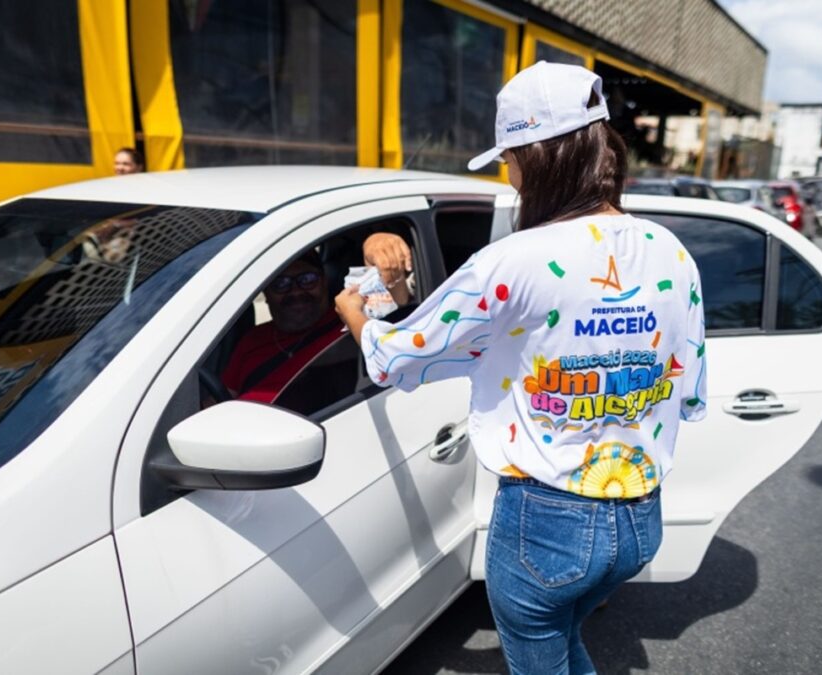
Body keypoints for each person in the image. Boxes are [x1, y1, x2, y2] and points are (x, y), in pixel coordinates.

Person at [335, 61, 707, 674]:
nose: (509, 177)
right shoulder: (671, 250)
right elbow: (689, 388)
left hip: (548, 523)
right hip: (641, 518)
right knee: (562, 644)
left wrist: (356, 311)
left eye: (509, 159)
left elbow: (393, 358)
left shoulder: (511, 261)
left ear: (536, 157)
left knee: (542, 657)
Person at [222, 232, 413, 403]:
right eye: (281, 283)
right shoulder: (251, 341)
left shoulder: (349, 317)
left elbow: (397, 300)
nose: (296, 291)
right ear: (266, 292)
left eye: (307, 279)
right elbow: (220, 399)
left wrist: (375, 240)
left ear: (324, 281)